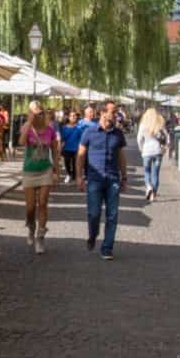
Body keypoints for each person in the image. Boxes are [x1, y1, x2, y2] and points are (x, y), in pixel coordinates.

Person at [77, 100, 128, 260]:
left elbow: (121, 157)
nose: (115, 115)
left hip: (112, 178)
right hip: (94, 179)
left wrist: (124, 177)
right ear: (103, 113)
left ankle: (107, 248)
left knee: (112, 215)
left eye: (116, 112)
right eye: (113, 112)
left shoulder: (118, 134)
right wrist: (79, 176)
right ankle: (93, 235)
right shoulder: (89, 132)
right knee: (94, 214)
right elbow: (80, 155)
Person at [19, 100, 61, 254]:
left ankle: (40, 236)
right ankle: (31, 227)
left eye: (40, 112)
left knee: (42, 203)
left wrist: (57, 171)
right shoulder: (26, 127)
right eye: (34, 113)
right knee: (30, 208)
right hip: (29, 170)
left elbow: (55, 153)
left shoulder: (50, 130)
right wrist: (29, 123)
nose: (38, 115)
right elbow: (21, 142)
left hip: (45, 170)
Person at [137, 106, 167, 202]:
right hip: (158, 151)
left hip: (147, 151)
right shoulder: (160, 124)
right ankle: (153, 193)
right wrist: (165, 148)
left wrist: (141, 148)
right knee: (155, 173)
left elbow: (139, 139)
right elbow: (167, 136)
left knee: (147, 172)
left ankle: (148, 186)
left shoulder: (143, 124)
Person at [60, 109, 81, 182]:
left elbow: (81, 139)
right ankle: (69, 174)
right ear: (68, 117)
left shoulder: (79, 127)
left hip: (76, 149)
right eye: (71, 116)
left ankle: (74, 176)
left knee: (75, 163)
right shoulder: (64, 127)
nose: (73, 117)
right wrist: (59, 148)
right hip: (67, 148)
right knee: (67, 163)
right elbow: (62, 139)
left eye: (74, 116)